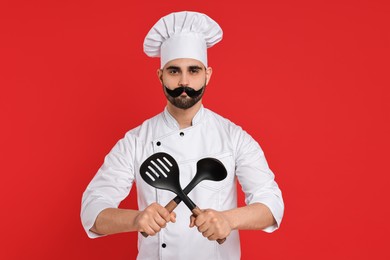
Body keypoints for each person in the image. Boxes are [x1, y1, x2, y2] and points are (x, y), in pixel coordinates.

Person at [81, 11, 284, 260]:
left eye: (194, 71)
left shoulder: (233, 137)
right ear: (161, 76)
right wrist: (135, 218)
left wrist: (228, 220)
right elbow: (92, 210)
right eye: (174, 71)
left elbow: (272, 204)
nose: (184, 82)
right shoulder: (136, 141)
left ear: (207, 74)